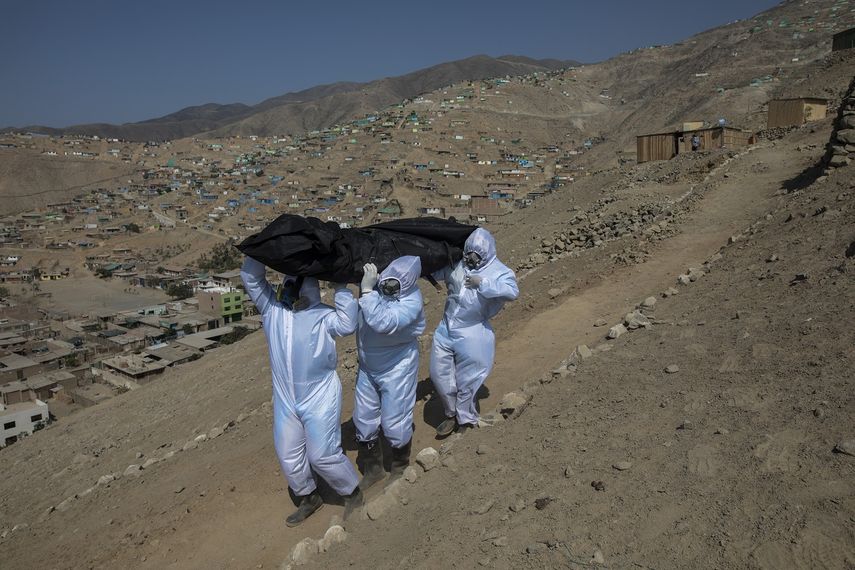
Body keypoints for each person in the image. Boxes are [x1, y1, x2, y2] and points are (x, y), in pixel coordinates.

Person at [240, 256, 363, 527]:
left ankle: (353, 493)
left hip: (319, 396)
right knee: (288, 453)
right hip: (286, 399)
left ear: (309, 288)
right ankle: (309, 496)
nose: (291, 288)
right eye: (288, 282)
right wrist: (258, 251)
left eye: (297, 283)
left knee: (322, 455)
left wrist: (341, 287)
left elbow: (347, 324)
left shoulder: (323, 316)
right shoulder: (273, 311)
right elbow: (251, 278)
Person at [429, 228, 519, 436]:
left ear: (486, 253)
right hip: (446, 328)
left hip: (472, 330)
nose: (471, 258)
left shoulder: (499, 271)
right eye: (468, 253)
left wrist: (483, 283)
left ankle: (466, 419)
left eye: (476, 256)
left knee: (469, 377)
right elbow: (438, 271)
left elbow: (512, 292)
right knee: (439, 374)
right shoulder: (458, 263)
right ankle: (451, 413)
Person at [353, 256, 426, 489]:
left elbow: (383, 323)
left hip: (397, 366)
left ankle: (400, 465)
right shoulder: (378, 289)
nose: (387, 287)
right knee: (363, 418)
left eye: (394, 285)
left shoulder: (412, 302)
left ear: (407, 284)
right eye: (387, 281)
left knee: (395, 419)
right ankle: (373, 469)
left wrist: (367, 291)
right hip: (368, 365)